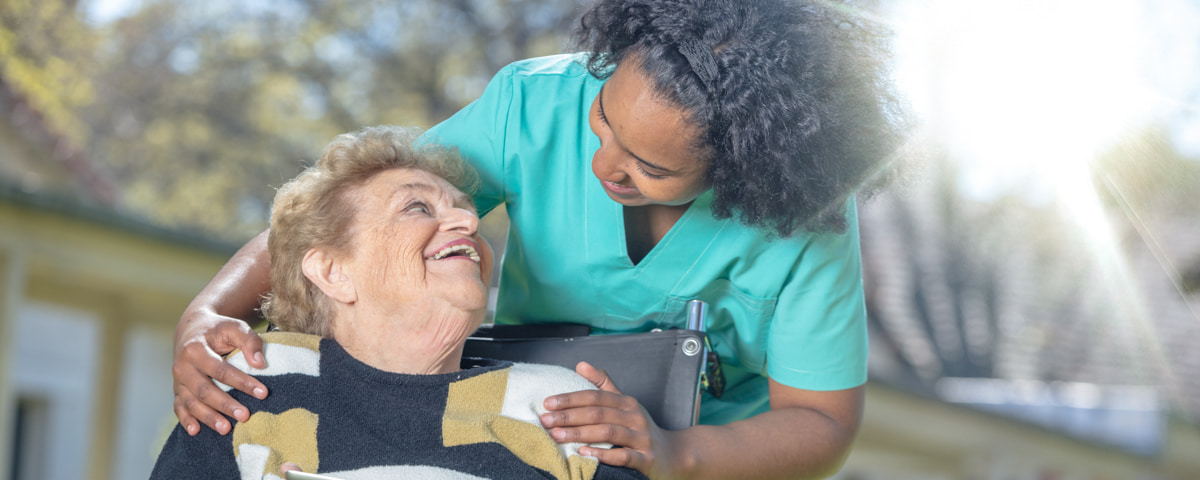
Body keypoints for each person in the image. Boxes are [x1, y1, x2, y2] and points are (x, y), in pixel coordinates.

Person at [172, 0, 909, 478]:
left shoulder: (800, 223)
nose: (602, 165)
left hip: (705, 454)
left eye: (648, 166)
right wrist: (208, 312)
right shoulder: (537, 104)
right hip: (530, 415)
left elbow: (820, 423)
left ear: (747, 174)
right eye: (605, 121)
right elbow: (347, 212)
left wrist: (677, 452)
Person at [152, 125, 646, 479]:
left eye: (468, 213)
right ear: (333, 272)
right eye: (417, 207)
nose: (470, 225)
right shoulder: (254, 387)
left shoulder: (557, 405)